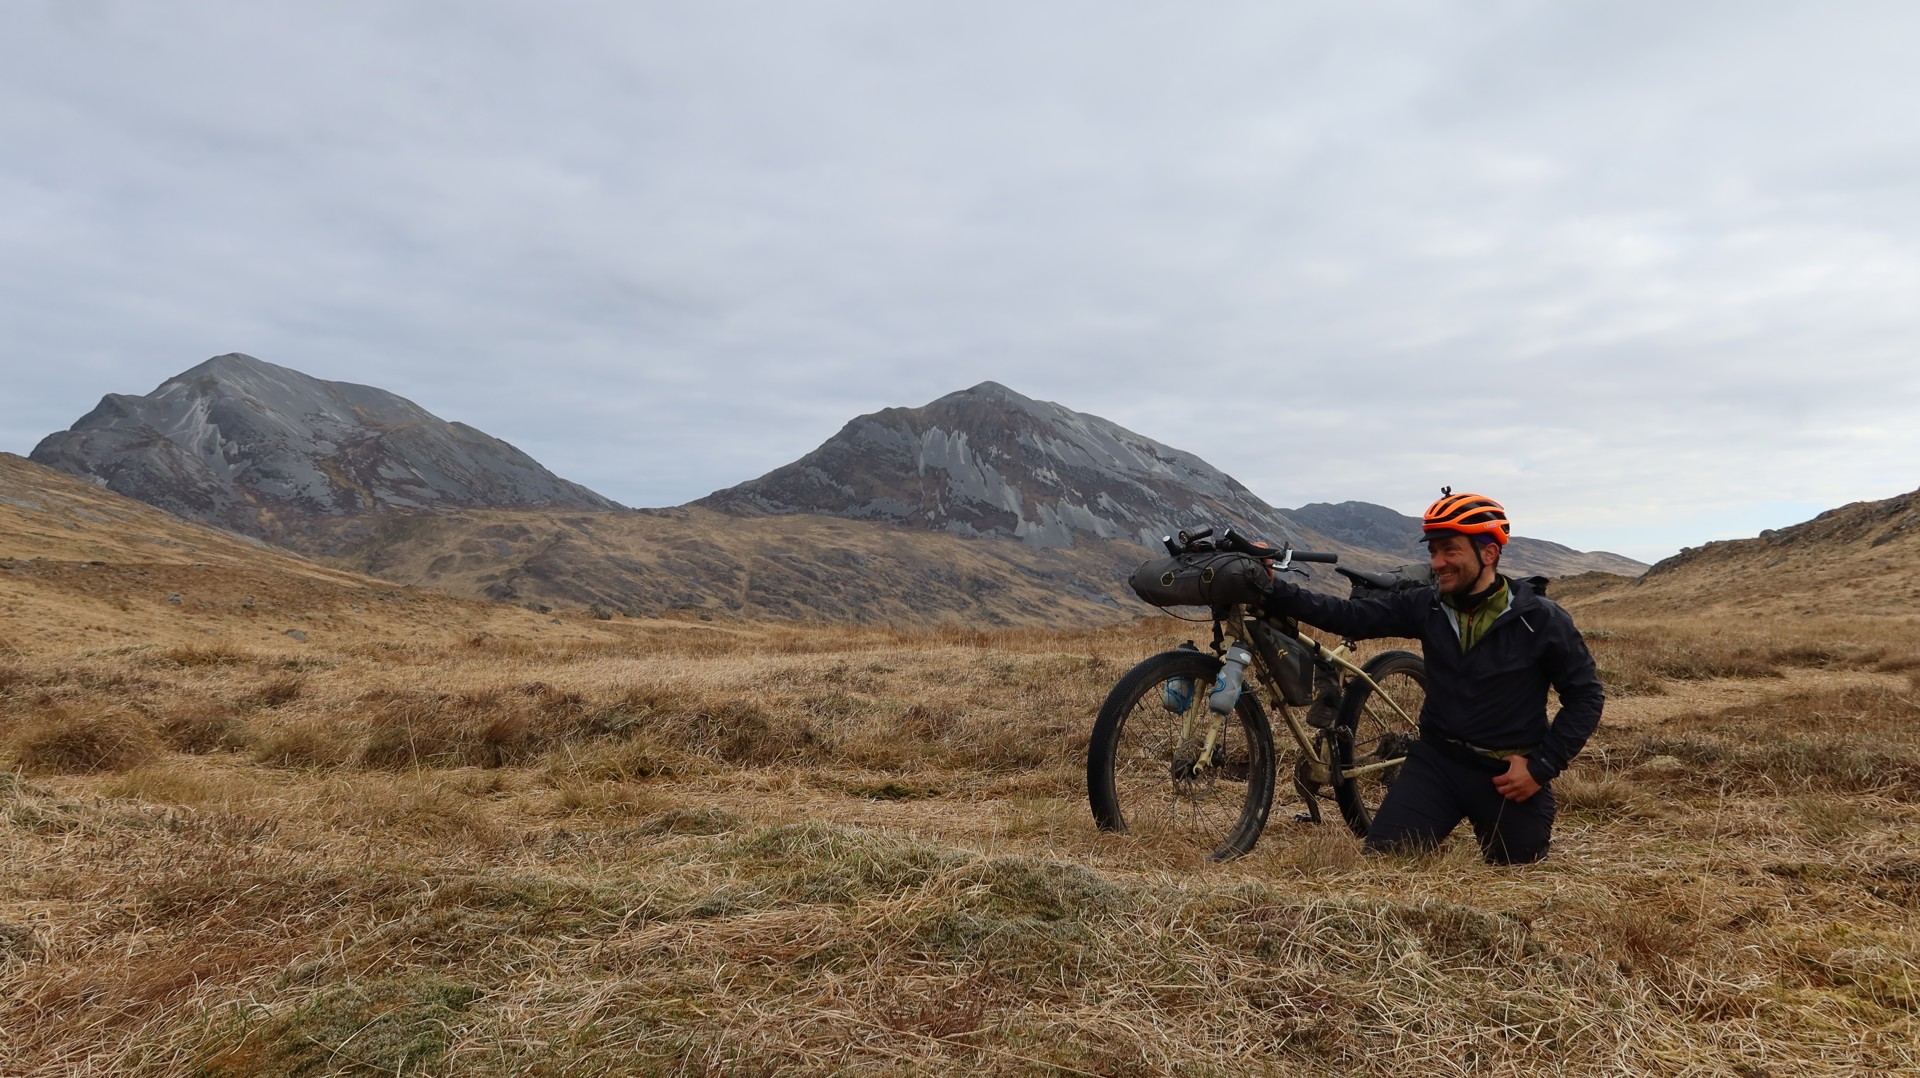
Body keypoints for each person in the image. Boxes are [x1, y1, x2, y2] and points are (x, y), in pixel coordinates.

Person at [1261, 489, 1604, 863]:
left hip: (1507, 774)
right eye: (1433, 552)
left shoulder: (1541, 619)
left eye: (1449, 550)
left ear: (1488, 553)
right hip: (1437, 764)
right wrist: (1274, 589)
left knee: (1518, 868)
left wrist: (1539, 769)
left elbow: (1585, 696)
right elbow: (1348, 616)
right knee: (1385, 865)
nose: (1437, 562)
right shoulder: (1428, 605)